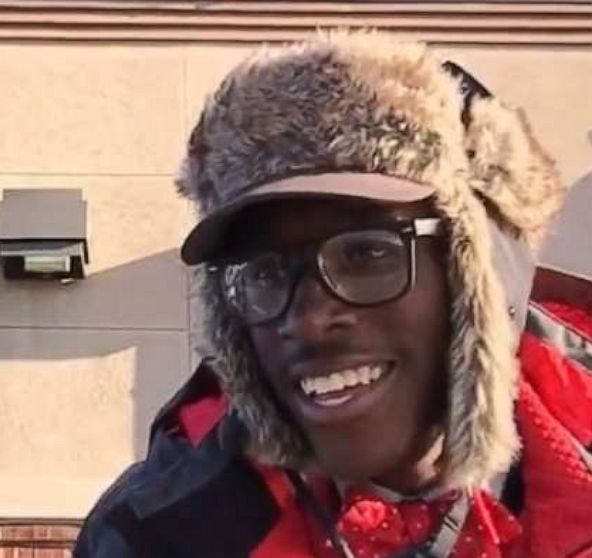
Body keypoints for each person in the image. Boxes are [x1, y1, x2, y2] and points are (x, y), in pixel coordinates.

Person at [74, 31, 592, 557]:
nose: (307, 319)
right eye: (266, 273)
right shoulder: (153, 538)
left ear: (484, 275)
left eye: (366, 254)